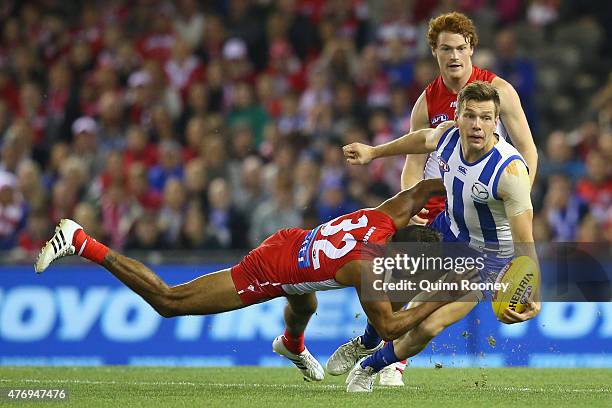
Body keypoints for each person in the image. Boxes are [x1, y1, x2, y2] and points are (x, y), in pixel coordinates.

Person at [34, 178, 472, 383]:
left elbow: (428, 187)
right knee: (170, 301)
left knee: (306, 303)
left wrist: (462, 187)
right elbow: (394, 328)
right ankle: (82, 240)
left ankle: (293, 346)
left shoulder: (388, 216)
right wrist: (445, 292)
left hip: (292, 242)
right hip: (266, 270)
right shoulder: (366, 269)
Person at [333, 11, 540, 387]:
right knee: (395, 283)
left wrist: (516, 201)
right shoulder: (431, 108)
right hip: (447, 214)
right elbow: (419, 150)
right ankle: (367, 343)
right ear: (434, 52)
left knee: (431, 319)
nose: (454, 55)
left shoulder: (500, 97)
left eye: (461, 47)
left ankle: (383, 362)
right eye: (446, 48)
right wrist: (382, 165)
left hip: (491, 228)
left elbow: (529, 151)